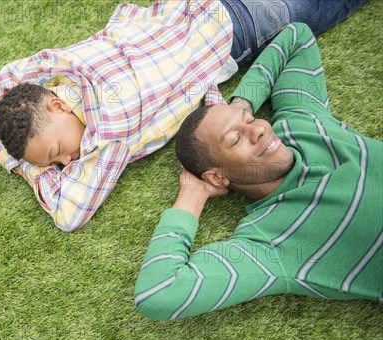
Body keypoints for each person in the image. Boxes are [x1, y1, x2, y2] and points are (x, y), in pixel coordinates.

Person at [0, 0, 366, 232]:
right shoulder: (62, 64)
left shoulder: (111, 131)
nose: (66, 163)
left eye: (56, 151)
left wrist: (25, 169)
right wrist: (26, 153)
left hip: (247, 24)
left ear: (57, 106)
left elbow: (70, 214)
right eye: (54, 164)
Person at [134, 22, 382, 320]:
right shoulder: (269, 242)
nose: (260, 130)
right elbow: (160, 292)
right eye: (236, 138)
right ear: (218, 176)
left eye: (250, 120)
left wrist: (243, 103)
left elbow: (297, 37)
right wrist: (192, 194)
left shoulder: (299, 121)